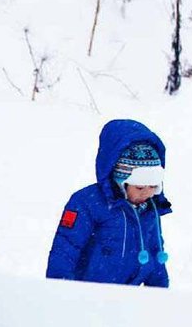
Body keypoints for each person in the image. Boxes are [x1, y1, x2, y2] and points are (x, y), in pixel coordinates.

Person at [46, 119, 172, 287]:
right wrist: (59, 289)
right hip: (86, 293)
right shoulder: (87, 203)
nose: (148, 193)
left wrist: (160, 293)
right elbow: (66, 248)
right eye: (140, 187)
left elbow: (155, 253)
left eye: (154, 186)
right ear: (121, 180)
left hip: (125, 297)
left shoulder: (150, 208)